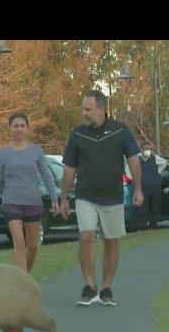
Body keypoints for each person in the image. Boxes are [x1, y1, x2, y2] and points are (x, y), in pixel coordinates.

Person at [60, 90, 143, 307]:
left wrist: (138, 190)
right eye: (83, 109)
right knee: (85, 237)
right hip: (85, 195)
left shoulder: (120, 131)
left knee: (111, 240)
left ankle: (106, 287)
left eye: (88, 109)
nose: (84, 114)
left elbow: (133, 160)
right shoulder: (77, 135)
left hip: (112, 196)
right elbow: (69, 168)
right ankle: (89, 285)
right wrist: (64, 197)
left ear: (101, 109)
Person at [0, 113, 60, 273]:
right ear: (10, 129)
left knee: (33, 246)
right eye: (15, 126)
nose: (19, 129)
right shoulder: (3, 154)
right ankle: (21, 284)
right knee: (19, 242)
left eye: (22, 126)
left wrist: (54, 199)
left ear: (27, 128)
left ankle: (25, 276)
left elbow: (46, 176)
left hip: (33, 202)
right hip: (11, 203)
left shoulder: (36, 151)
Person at [136, 140, 168, 230]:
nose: (148, 150)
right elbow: (130, 170)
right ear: (141, 149)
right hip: (143, 187)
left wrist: (158, 171)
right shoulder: (137, 159)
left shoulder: (155, 158)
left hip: (155, 186)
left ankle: (153, 226)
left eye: (149, 149)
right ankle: (143, 226)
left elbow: (164, 163)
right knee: (143, 208)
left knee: (155, 207)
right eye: (146, 149)